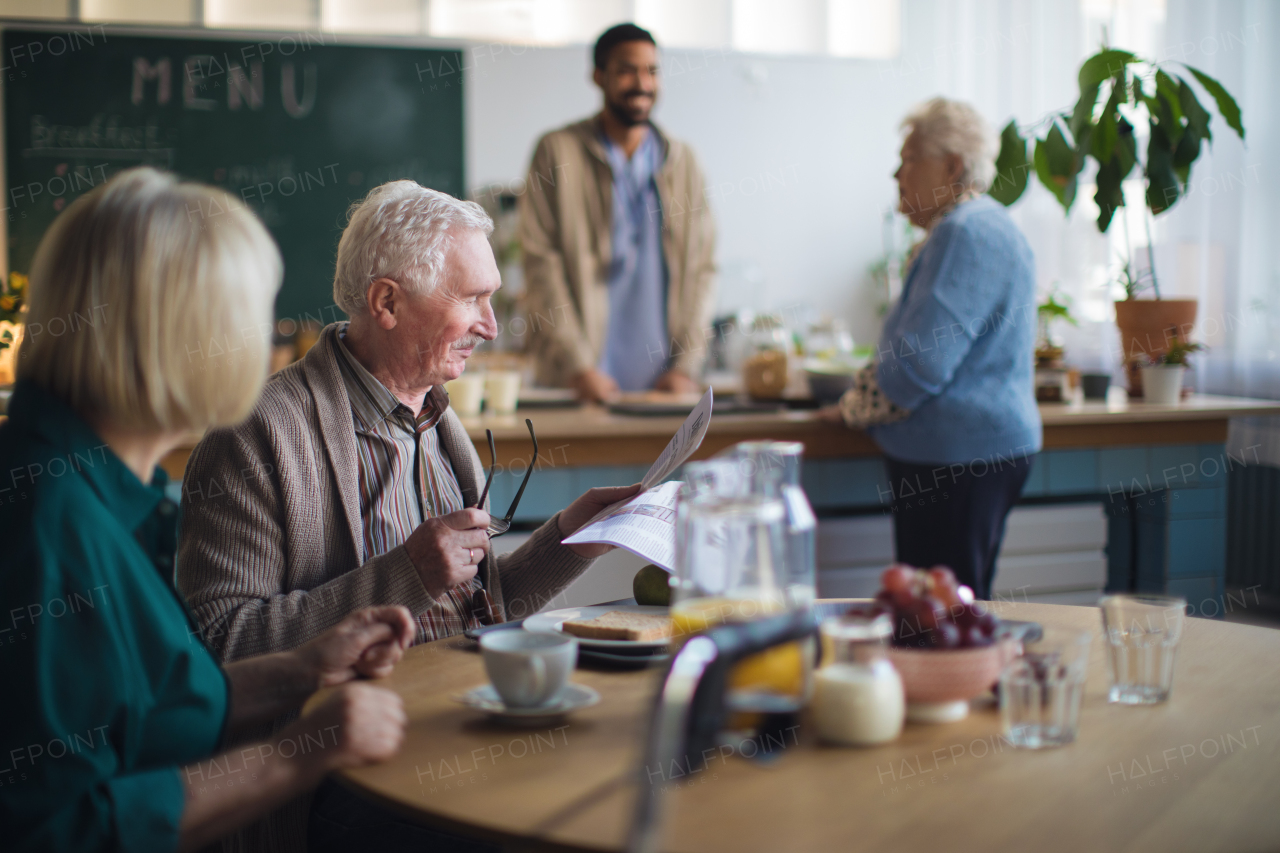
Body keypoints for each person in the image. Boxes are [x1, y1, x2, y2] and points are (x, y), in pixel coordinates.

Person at [176, 180, 639, 849]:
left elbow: (477, 605)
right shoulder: (253, 437)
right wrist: (406, 572)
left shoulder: (440, 420)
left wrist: (569, 540)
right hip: (342, 772)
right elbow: (217, 651)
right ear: (387, 302)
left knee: (620, 784)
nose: (492, 324)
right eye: (473, 298)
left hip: (464, 723)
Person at [0, 167, 414, 852]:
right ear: (186, 339)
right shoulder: (53, 527)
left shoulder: (81, 478)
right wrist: (301, 751)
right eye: (254, 313)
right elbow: (58, 830)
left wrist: (303, 668)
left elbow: (141, 704)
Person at [826, 98, 1042, 599]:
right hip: (968, 454)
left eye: (909, 159)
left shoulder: (966, 231)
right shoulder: (980, 225)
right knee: (945, 608)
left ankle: (954, 681)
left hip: (958, 458)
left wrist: (858, 406)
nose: (896, 173)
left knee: (939, 615)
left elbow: (919, 365)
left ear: (951, 165)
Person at [520, 22, 717, 402]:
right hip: (580, 384)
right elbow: (540, 264)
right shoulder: (557, 152)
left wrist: (685, 367)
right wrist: (578, 367)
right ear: (599, 76)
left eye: (652, 71)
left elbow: (702, 269)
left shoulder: (682, 160)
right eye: (627, 70)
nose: (642, 83)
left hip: (664, 388)